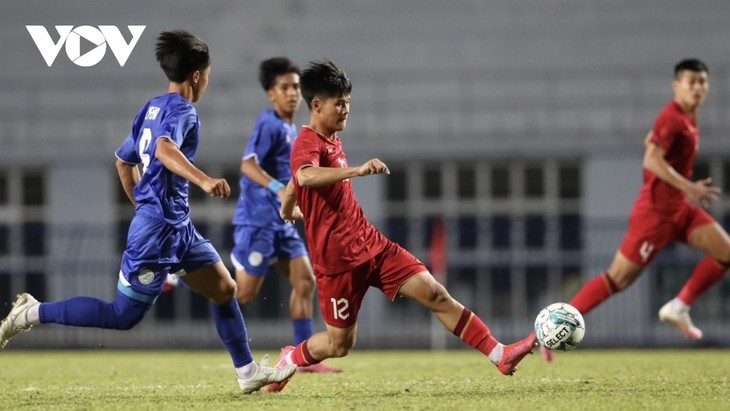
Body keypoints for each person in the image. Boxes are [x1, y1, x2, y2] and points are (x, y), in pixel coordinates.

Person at [0, 29, 296, 394]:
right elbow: (163, 149)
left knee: (224, 288)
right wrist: (202, 182)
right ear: (197, 76)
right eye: (210, 74)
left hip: (177, 226)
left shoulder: (150, 107)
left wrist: (143, 201)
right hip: (157, 231)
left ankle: (247, 371)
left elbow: (124, 162)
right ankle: (30, 312)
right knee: (121, 316)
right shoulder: (183, 110)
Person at [263, 60, 538, 393]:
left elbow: (296, 179)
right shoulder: (307, 141)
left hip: (373, 246)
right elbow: (304, 175)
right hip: (337, 264)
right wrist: (357, 171)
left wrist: (287, 206)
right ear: (317, 105)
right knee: (339, 345)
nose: (347, 109)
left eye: (348, 102)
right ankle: (291, 359)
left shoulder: (332, 138)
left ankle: (500, 354)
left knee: (436, 293)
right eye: (340, 103)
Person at [540, 58, 727, 361]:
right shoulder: (673, 117)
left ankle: (678, 307)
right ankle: (549, 331)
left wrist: (683, 191)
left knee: (726, 252)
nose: (697, 87)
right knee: (617, 280)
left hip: (679, 210)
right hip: (654, 216)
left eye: (702, 81)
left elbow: (653, 145)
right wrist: (689, 187)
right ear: (676, 86)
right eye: (691, 81)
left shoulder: (688, 119)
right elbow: (651, 160)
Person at [230, 57, 339, 373]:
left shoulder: (291, 127)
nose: (292, 93)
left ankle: (305, 359)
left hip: (282, 222)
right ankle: (182, 278)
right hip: (258, 222)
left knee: (305, 281)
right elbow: (247, 165)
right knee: (243, 295)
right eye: (284, 87)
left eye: (295, 87)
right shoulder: (269, 124)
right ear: (271, 93)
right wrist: (280, 188)